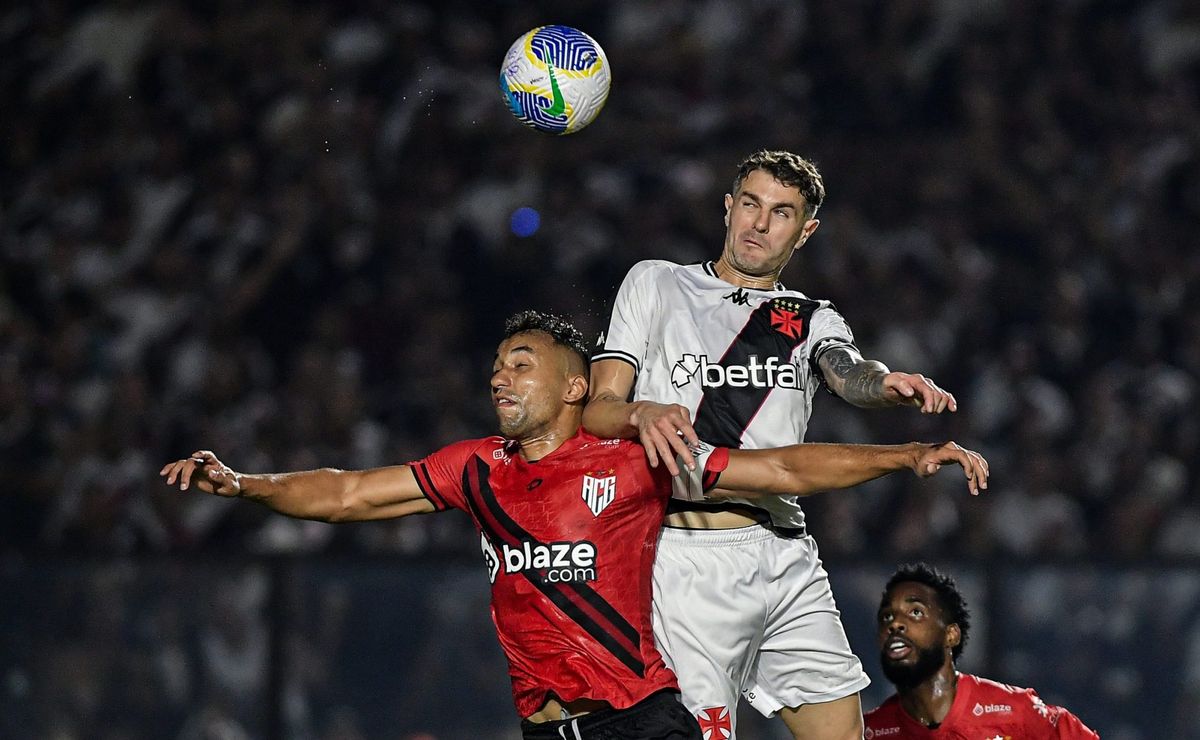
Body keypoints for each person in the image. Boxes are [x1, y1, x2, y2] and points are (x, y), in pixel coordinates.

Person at [161, 311, 988, 740]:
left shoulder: (632, 461)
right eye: (495, 367)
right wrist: (243, 484)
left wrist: (904, 454)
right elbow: (346, 496)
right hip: (546, 730)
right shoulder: (476, 468)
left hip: (640, 721)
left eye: (522, 364)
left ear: (572, 388)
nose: (500, 377)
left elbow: (777, 470)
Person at [585, 148, 963, 739]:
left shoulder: (810, 318)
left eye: (781, 213)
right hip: (685, 558)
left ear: (805, 230)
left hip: (786, 555)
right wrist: (640, 412)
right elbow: (598, 411)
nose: (759, 224)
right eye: (751, 205)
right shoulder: (658, 283)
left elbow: (848, 372)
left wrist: (886, 386)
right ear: (728, 207)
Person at [865, 563, 1099, 738]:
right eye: (887, 616)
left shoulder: (1014, 712)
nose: (894, 624)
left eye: (916, 612)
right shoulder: (871, 732)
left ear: (951, 635)